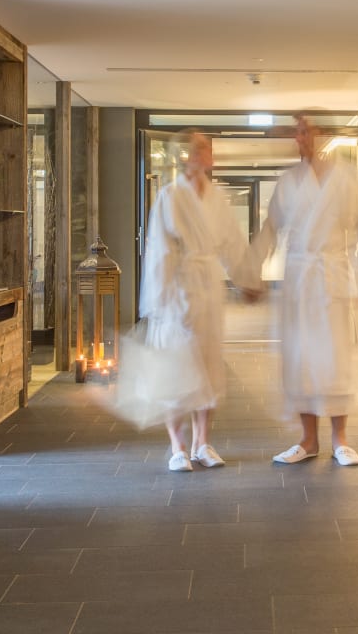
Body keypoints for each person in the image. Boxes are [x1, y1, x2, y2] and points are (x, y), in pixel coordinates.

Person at [249, 112, 358, 466]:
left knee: (334, 357)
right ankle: (308, 440)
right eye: (297, 132)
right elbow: (270, 228)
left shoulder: (351, 178)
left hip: (332, 278)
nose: (300, 138)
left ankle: (340, 440)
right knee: (300, 358)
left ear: (320, 133)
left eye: (306, 131)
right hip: (299, 281)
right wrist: (250, 274)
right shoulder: (288, 182)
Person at [139, 128, 261, 472]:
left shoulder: (218, 198)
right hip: (177, 290)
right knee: (177, 366)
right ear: (188, 156)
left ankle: (202, 442)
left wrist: (247, 280)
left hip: (208, 288)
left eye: (208, 148)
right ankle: (177, 446)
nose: (208, 153)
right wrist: (158, 300)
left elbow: (232, 244)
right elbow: (159, 250)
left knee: (208, 365)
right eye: (202, 148)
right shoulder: (169, 196)